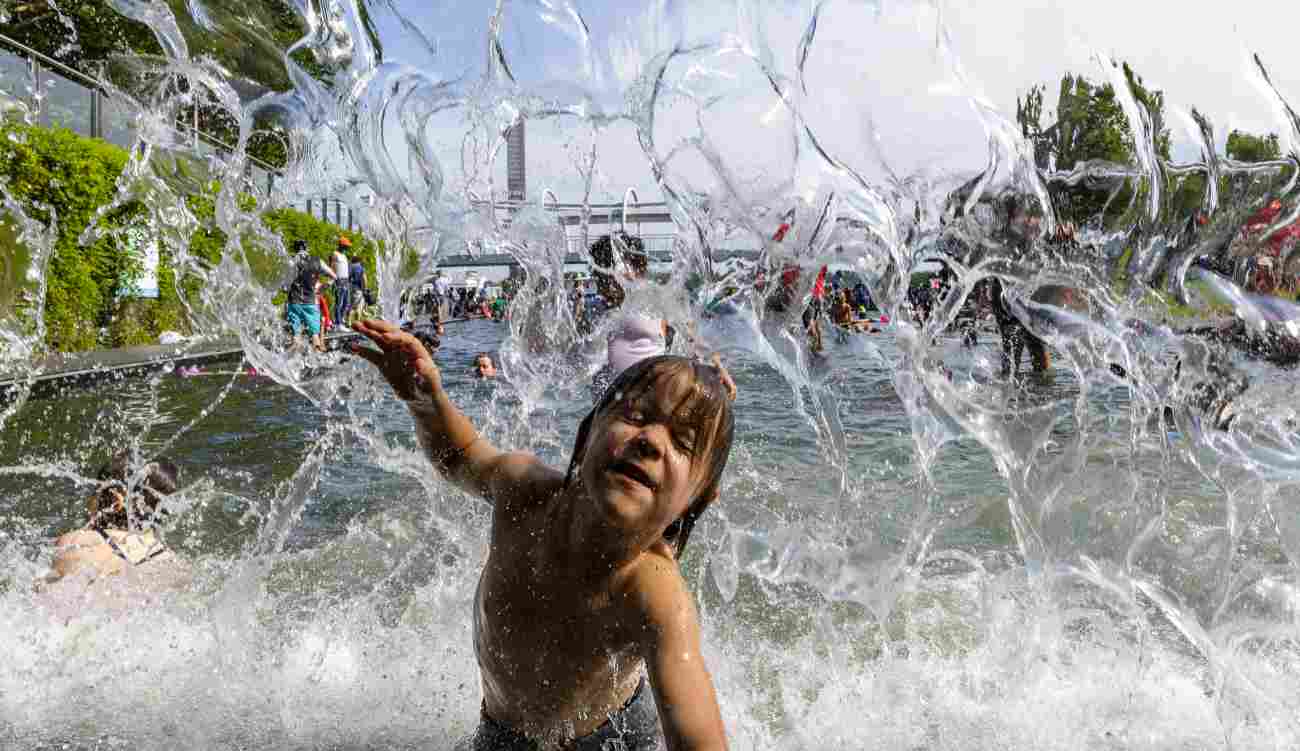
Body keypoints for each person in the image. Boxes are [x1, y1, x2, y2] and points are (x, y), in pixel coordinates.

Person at [350, 319, 735, 751]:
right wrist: (425, 400)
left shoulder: (654, 592)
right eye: (636, 415)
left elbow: (696, 735)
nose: (650, 440)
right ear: (588, 432)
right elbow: (459, 457)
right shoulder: (524, 490)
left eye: (682, 442)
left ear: (697, 499)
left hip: (612, 740)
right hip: (499, 733)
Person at [45, 452, 183, 585]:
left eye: (95, 491)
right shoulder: (175, 565)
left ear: (115, 501)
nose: (89, 501)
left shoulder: (78, 543)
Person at [285, 239, 336, 352]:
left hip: (294, 302)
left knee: (296, 336)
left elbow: (285, 285)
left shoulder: (292, 261)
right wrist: (323, 287)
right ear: (307, 248)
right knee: (315, 336)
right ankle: (317, 360)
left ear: (295, 249)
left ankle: (291, 364)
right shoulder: (317, 261)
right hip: (311, 302)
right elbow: (334, 276)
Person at [332, 237, 353, 330]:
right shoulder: (335, 254)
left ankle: (341, 320)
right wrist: (333, 280)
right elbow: (332, 267)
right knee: (339, 302)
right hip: (339, 281)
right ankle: (338, 323)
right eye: (346, 246)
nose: (347, 248)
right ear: (341, 245)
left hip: (346, 281)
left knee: (346, 302)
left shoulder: (344, 256)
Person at [348, 253, 368, 325]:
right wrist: (365, 289)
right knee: (356, 307)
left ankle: (356, 323)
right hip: (359, 289)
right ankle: (350, 322)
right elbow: (364, 278)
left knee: (354, 305)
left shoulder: (350, 267)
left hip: (352, 288)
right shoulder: (360, 267)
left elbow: (348, 278)